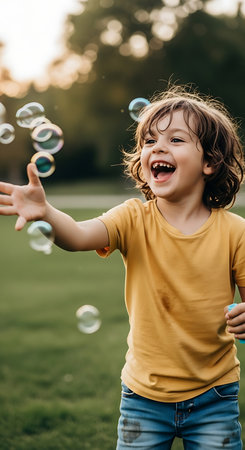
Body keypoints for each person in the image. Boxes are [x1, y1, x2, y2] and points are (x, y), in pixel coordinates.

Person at [0, 85, 245, 449]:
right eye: (149, 141)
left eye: (175, 139)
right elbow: (80, 236)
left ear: (210, 162)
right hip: (143, 396)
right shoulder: (133, 218)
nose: (157, 148)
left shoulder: (235, 232)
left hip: (215, 396)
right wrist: (47, 213)